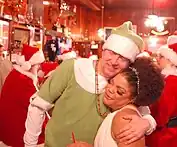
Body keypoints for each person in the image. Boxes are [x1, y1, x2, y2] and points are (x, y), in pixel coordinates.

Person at [24, 21, 157, 147]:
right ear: (103, 50)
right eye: (112, 52)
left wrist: (146, 123)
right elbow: (38, 106)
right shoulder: (73, 68)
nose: (114, 61)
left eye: (122, 58)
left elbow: (142, 111)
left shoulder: (120, 82)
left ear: (129, 64)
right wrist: (30, 144)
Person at [67, 57, 164, 147]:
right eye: (111, 82)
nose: (110, 89)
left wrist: (148, 122)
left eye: (120, 91)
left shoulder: (126, 121)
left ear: (133, 98)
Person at [0, 44, 45, 147]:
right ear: (30, 65)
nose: (39, 67)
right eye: (38, 65)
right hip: (17, 134)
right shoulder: (24, 81)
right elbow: (37, 104)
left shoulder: (15, 74)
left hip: (6, 130)